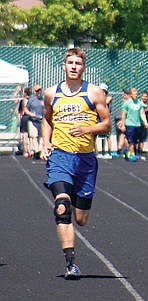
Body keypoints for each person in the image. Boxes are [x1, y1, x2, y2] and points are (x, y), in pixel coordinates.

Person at [40, 47, 111, 279]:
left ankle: (79, 216)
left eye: (77, 63)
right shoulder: (52, 93)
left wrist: (87, 129)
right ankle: (71, 263)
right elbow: (47, 120)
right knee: (62, 207)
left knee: (81, 219)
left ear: (83, 67)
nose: (73, 66)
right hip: (60, 157)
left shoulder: (95, 93)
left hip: (85, 161)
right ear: (63, 65)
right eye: (69, 62)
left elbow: (107, 124)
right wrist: (45, 143)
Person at [120, 87, 148, 161]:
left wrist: (145, 122)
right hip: (129, 124)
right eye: (134, 94)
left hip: (137, 124)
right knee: (130, 140)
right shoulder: (127, 103)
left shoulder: (139, 103)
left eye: (137, 94)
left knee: (137, 141)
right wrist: (123, 124)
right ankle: (132, 154)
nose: (136, 95)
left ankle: (129, 152)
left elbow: (142, 113)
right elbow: (124, 114)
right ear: (131, 95)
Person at [25, 84, 44, 158]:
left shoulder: (43, 99)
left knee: (41, 136)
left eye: (39, 90)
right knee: (34, 136)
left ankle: (40, 150)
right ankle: (36, 151)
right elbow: (26, 109)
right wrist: (31, 114)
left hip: (42, 121)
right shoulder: (31, 100)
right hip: (33, 121)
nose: (38, 92)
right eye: (37, 91)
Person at [96, 83, 113, 159]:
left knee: (107, 137)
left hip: (106, 120)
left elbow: (106, 102)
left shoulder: (108, 98)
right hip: (98, 119)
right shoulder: (97, 99)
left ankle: (109, 152)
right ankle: (97, 152)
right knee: (96, 137)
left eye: (103, 91)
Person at [138, 90, 148, 160]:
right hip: (137, 123)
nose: (145, 98)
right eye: (143, 96)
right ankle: (134, 152)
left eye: (146, 96)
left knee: (142, 139)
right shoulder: (138, 103)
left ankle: (140, 152)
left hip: (145, 124)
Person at [18, 87, 31, 157]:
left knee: (25, 134)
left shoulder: (24, 100)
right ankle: (31, 150)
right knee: (31, 135)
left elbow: (21, 111)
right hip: (31, 117)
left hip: (25, 117)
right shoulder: (32, 100)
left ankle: (26, 151)